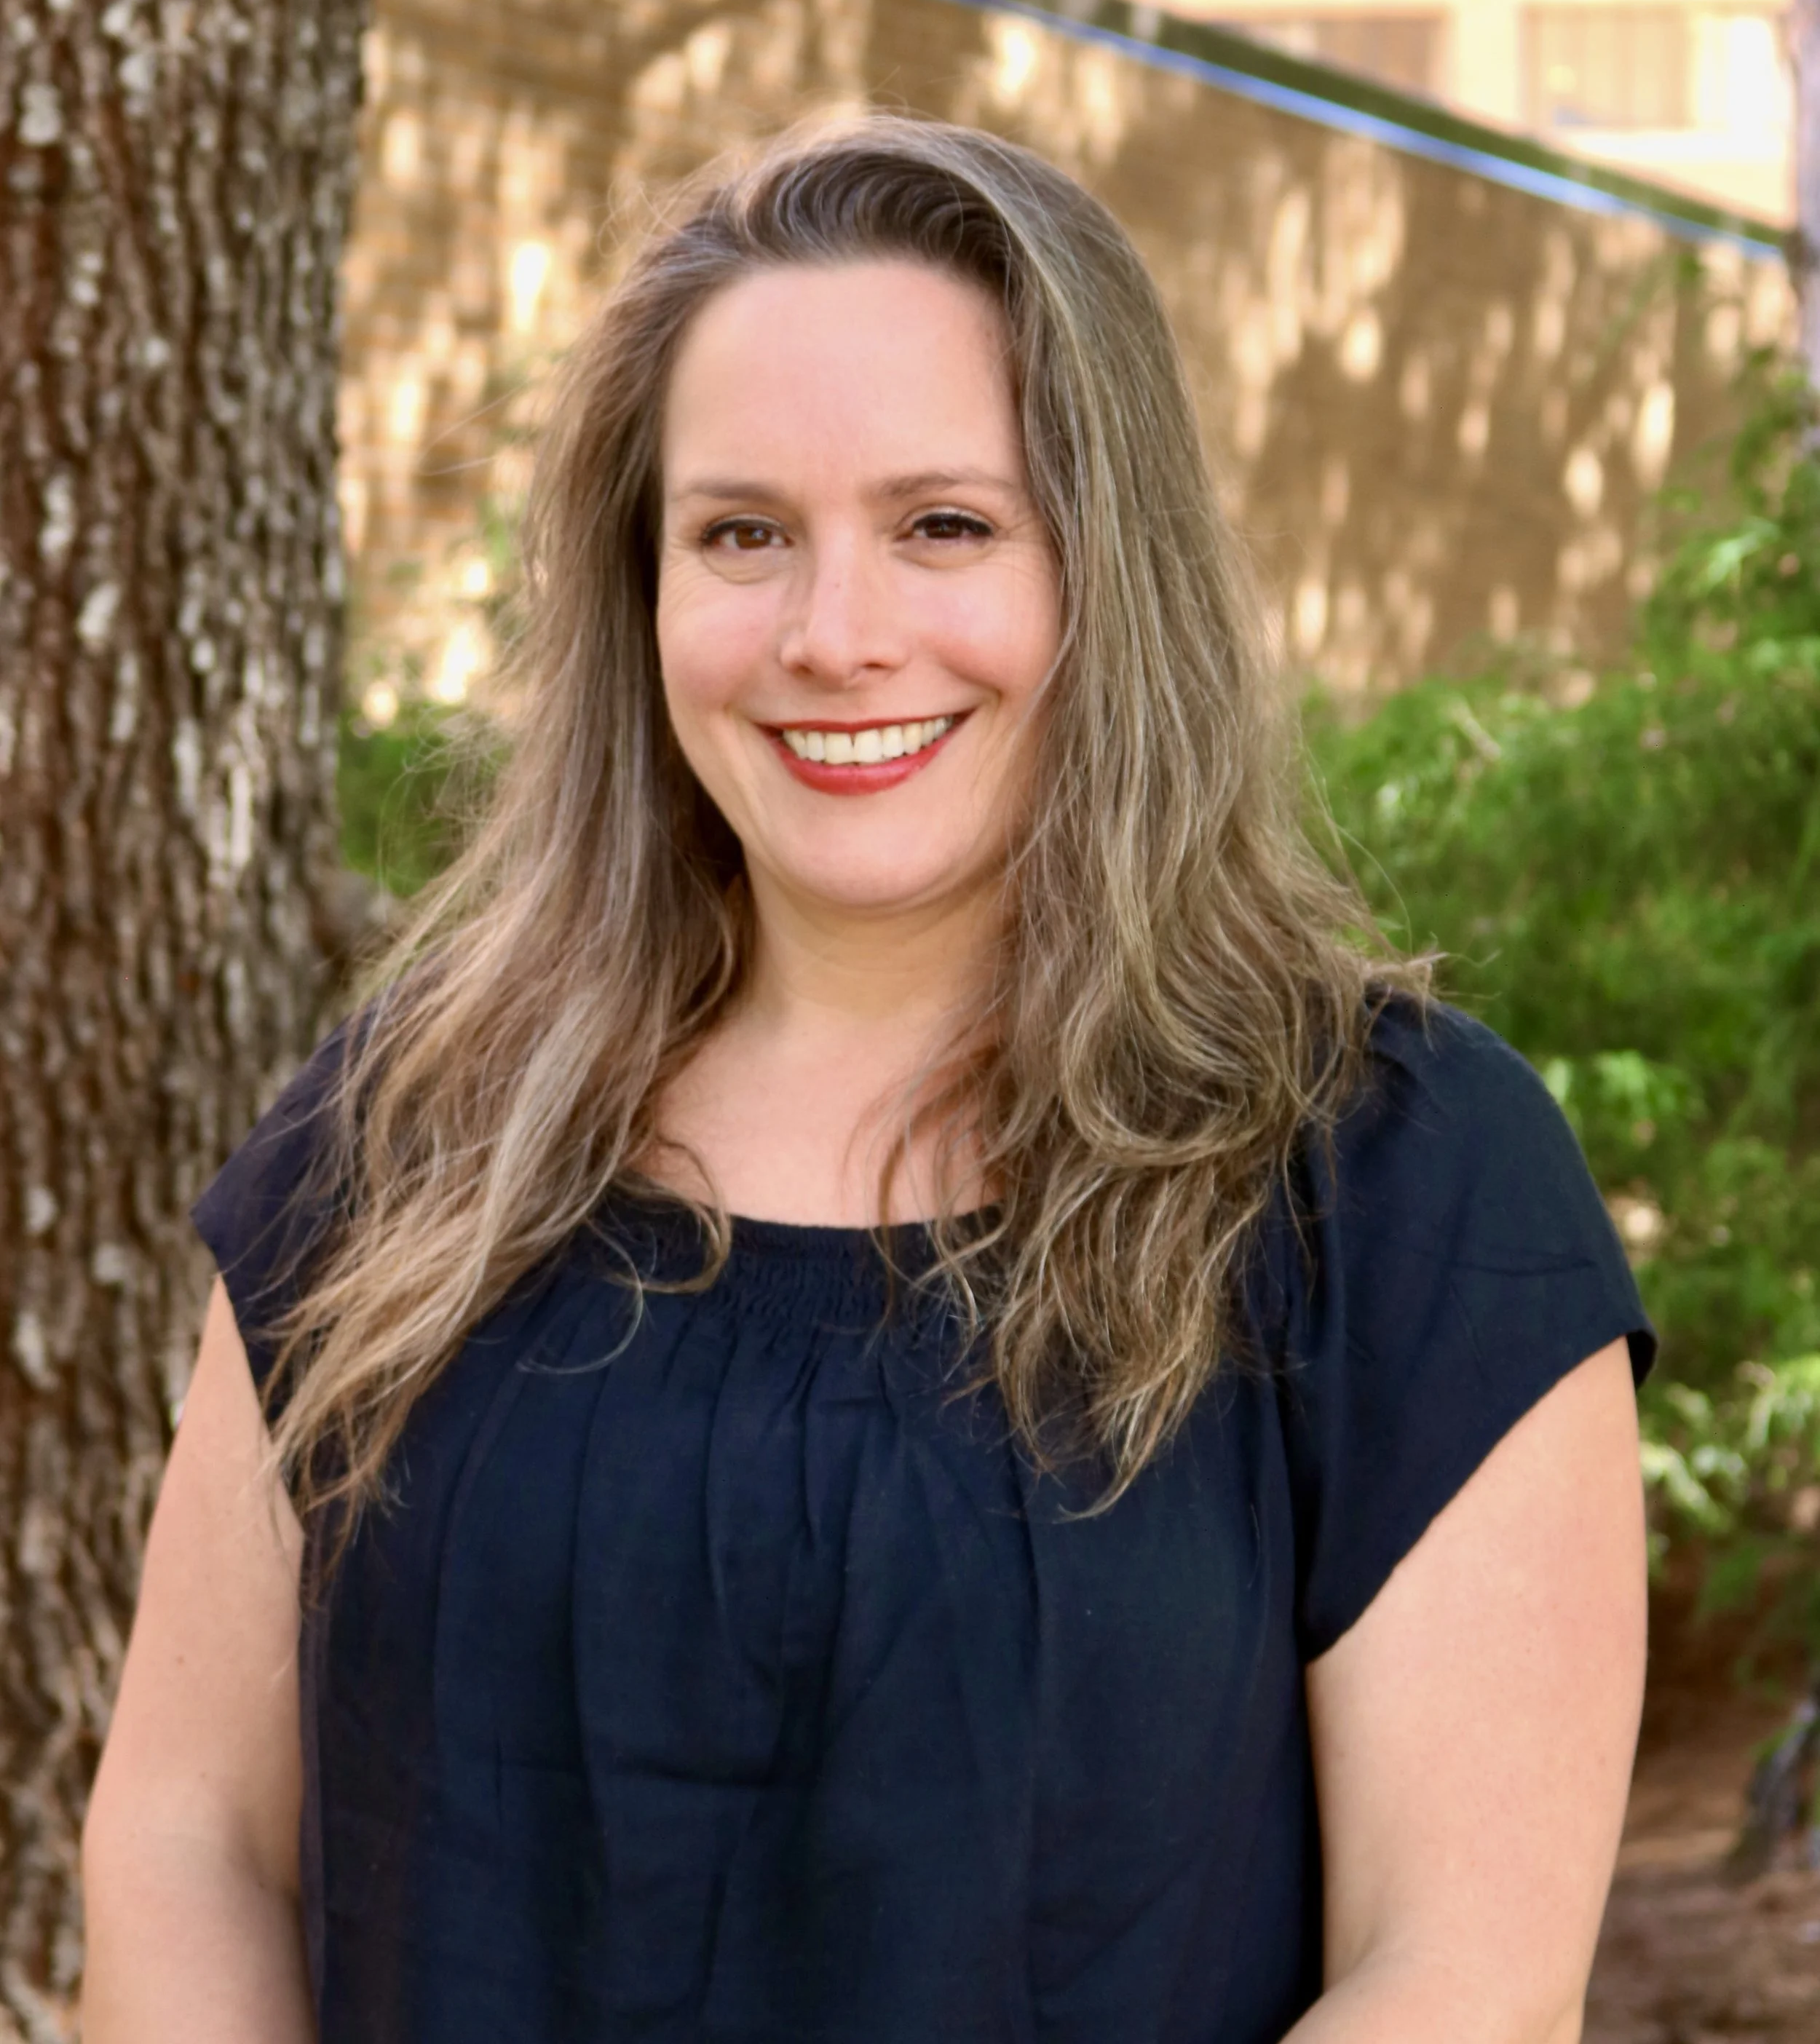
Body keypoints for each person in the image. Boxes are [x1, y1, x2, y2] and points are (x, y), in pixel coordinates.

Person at [81, 117, 1653, 2044]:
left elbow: (1459, 1976)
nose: (834, 637)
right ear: (636, 587)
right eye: (741, 534)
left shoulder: (1402, 1183)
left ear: (1106, 566)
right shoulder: (400, 1141)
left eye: (943, 526)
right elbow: (185, 1843)